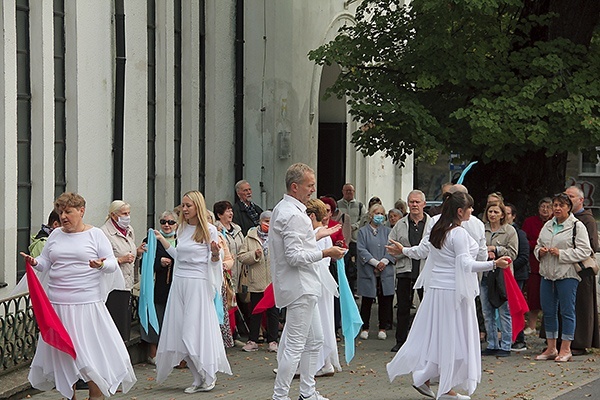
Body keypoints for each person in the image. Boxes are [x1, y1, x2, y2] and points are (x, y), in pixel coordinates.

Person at [386, 192, 511, 400]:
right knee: (453, 339)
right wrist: (494, 264)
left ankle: (431, 380)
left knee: (442, 337)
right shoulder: (457, 234)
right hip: (452, 293)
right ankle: (440, 386)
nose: (472, 211)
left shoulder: (437, 228)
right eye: (469, 208)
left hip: (437, 291)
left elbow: (422, 251)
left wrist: (404, 250)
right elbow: (465, 264)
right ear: (460, 211)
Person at [20, 192, 136, 400]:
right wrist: (35, 262)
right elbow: (46, 261)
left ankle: (96, 394)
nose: (63, 216)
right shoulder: (55, 235)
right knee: (63, 353)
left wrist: (101, 264)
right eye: (61, 212)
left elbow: (111, 263)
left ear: (81, 211)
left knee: (88, 353)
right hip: (58, 304)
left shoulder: (95, 235)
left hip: (86, 304)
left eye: (68, 212)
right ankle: (69, 396)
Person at [270, 163, 346, 400]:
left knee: (315, 341)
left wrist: (317, 235)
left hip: (301, 285)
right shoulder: (293, 215)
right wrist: (326, 252)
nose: (312, 190)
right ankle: (280, 395)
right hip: (300, 286)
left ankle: (307, 392)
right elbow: (294, 257)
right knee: (295, 345)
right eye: (309, 185)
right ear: (295, 187)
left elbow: (294, 247)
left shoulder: (284, 210)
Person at [155, 190, 232, 393]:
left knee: (193, 329)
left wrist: (216, 254)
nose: (185, 209)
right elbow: (178, 256)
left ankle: (208, 374)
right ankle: (197, 376)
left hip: (198, 283)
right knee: (179, 330)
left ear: (197, 206)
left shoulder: (209, 230)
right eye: (183, 205)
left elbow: (214, 260)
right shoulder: (180, 229)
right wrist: (162, 240)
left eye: (188, 205)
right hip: (180, 283)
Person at [534, 193, 591, 362]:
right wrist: (540, 252)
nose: (557, 208)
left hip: (567, 275)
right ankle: (551, 348)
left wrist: (562, 254)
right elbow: (538, 245)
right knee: (549, 312)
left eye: (561, 205)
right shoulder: (547, 225)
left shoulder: (577, 226)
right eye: (555, 205)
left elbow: (585, 251)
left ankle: (566, 348)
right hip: (547, 274)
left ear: (568, 207)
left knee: (567, 311)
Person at [388, 190, 434, 352]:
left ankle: (428, 342)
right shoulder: (400, 224)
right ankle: (401, 341)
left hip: (425, 271)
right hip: (405, 270)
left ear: (424, 204)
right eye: (412, 202)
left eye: (417, 202)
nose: (414, 205)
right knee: (403, 308)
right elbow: (391, 247)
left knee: (428, 307)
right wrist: (404, 252)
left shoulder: (431, 224)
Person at [306, 199, 341, 377]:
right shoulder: (322, 234)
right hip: (323, 278)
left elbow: (313, 257)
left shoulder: (318, 234)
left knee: (318, 319)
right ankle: (325, 361)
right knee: (324, 319)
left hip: (317, 279)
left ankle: (321, 361)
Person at [237, 211, 280, 353]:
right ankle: (252, 340)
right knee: (255, 311)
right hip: (256, 280)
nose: (269, 224)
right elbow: (241, 256)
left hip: (272, 281)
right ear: (260, 222)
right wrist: (254, 255)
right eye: (266, 221)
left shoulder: (277, 235)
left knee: (273, 312)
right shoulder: (250, 237)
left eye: (271, 221)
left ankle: (273, 340)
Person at [480, 201, 518, 357]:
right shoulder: (482, 229)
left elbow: (513, 253)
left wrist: (496, 249)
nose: (493, 215)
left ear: (502, 214)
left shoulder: (509, 231)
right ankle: (492, 343)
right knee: (486, 311)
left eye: (496, 212)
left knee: (504, 311)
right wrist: (485, 253)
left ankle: (506, 344)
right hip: (485, 274)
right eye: (490, 212)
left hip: (502, 277)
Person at [564, 185, 600, 354]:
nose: (567, 199)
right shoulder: (563, 218)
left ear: (580, 200)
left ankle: (580, 342)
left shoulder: (587, 220)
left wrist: (568, 251)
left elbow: (592, 246)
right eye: (565, 196)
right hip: (563, 269)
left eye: (571, 196)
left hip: (581, 270)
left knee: (581, 305)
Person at [140, 211, 177, 365]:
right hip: (158, 286)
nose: (167, 225)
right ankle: (153, 353)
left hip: (177, 285)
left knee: (175, 320)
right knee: (156, 316)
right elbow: (144, 265)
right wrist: (158, 262)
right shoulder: (151, 239)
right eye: (163, 222)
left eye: (170, 222)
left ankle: (175, 356)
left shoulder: (182, 239)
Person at [357, 204, 395, 341]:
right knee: (367, 300)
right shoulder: (363, 232)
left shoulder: (388, 231)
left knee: (385, 300)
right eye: (376, 213)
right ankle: (365, 327)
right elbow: (361, 249)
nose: (379, 216)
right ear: (370, 215)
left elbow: (392, 247)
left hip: (385, 271)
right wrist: (374, 262)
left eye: (381, 213)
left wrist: (383, 262)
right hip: (369, 270)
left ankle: (382, 328)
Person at [521, 197, 552, 336]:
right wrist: (537, 246)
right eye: (542, 207)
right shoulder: (530, 222)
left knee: (551, 298)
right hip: (534, 265)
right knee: (533, 297)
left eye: (548, 207)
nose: (545, 210)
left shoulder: (555, 223)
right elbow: (524, 241)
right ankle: (532, 325)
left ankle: (548, 328)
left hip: (551, 263)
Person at [100, 200, 144, 290]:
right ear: (113, 215)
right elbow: (101, 261)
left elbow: (129, 252)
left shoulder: (129, 229)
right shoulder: (104, 233)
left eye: (129, 213)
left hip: (128, 283)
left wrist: (137, 252)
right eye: (124, 214)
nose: (127, 216)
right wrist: (120, 260)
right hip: (113, 286)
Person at [504, 203, 530, 352]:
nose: (505, 216)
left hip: (517, 275)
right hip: (501, 275)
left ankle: (519, 338)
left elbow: (524, 256)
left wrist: (509, 266)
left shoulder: (519, 233)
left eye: (508, 213)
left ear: (513, 216)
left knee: (515, 307)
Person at [337, 183, 365, 293]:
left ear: (354, 192)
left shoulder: (359, 205)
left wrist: (354, 226)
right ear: (343, 191)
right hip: (342, 239)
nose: (349, 193)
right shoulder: (338, 204)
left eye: (351, 191)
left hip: (355, 239)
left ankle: (353, 289)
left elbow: (363, 218)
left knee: (353, 265)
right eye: (346, 190)